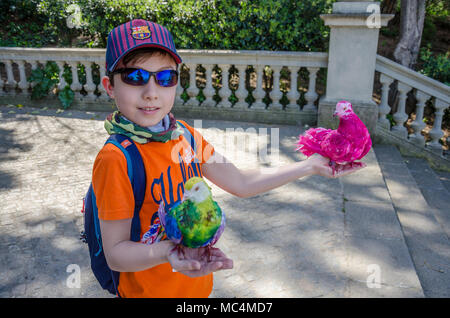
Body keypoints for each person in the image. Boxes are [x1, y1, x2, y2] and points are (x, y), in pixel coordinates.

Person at [93, 19, 366, 298]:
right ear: (110, 86)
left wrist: (310, 165)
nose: (151, 92)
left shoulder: (184, 135)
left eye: (165, 78)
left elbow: (241, 182)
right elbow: (116, 254)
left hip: (197, 291)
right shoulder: (116, 158)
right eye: (135, 77)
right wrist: (168, 252)